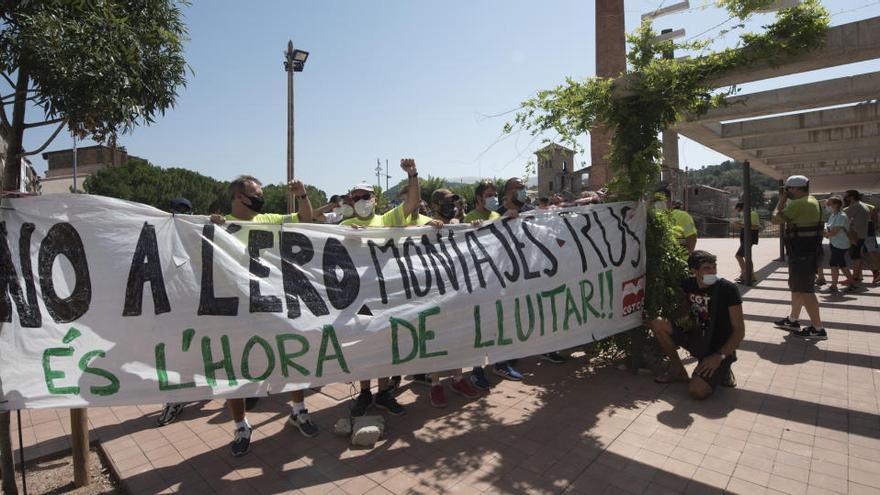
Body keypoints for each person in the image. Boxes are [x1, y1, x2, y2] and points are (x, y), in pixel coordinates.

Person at [210, 176, 317, 456]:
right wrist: (209, 226)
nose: (260, 197)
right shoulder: (220, 226)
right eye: (255, 193)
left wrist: (303, 194)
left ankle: (298, 410)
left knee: (290, 354)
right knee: (235, 368)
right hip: (236, 308)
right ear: (238, 197)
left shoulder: (267, 218)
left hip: (272, 302)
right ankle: (241, 426)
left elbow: (306, 218)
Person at [343, 159, 422, 417]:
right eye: (355, 198)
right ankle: (365, 393)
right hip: (358, 300)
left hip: (387, 296)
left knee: (387, 345)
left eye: (364, 196)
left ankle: (384, 391)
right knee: (364, 347)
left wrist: (412, 175)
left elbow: (411, 204)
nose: (360, 201)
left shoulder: (388, 219)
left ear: (374, 199)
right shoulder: (342, 227)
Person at [415, 189, 482, 407]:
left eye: (453, 202)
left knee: (457, 336)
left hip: (457, 290)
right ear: (434, 205)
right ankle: (435, 384)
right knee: (435, 338)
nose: (451, 206)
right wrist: (428, 228)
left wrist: (472, 226)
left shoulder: (458, 223)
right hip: (433, 292)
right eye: (445, 202)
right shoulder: (424, 223)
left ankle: (458, 378)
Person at [648, 250, 743, 399]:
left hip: (717, 348)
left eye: (714, 267)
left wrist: (719, 356)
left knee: (697, 390)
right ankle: (678, 370)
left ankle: (724, 368)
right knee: (658, 323)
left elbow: (739, 331)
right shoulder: (687, 284)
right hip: (696, 337)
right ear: (694, 270)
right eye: (707, 268)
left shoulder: (728, 289)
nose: (713, 271)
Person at [771, 175, 827, 340]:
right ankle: (792, 320)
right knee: (797, 288)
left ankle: (818, 329)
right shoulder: (813, 201)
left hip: (802, 254)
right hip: (807, 252)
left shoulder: (799, 203)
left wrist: (781, 201)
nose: (787, 192)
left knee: (805, 291)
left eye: (788, 189)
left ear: (795, 188)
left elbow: (775, 219)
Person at [156, 198, 196, 427]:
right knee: (174, 354)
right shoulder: (161, 235)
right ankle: (175, 399)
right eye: (177, 212)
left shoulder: (197, 233)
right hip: (171, 307)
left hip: (196, 305)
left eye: (185, 212)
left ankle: (182, 395)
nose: (181, 216)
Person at [824, 196, 855, 293]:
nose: (827, 206)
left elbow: (834, 232)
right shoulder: (833, 215)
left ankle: (834, 286)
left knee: (833, 264)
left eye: (829, 204)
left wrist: (824, 234)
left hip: (841, 244)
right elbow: (829, 228)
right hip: (834, 243)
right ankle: (852, 283)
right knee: (842, 264)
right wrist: (827, 233)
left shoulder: (841, 216)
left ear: (836, 205)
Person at [844, 189, 870, 284]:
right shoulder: (863, 205)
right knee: (859, 255)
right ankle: (859, 276)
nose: (845, 198)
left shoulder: (855, 206)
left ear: (851, 197)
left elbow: (844, 217)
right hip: (862, 234)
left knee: (855, 257)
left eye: (846, 196)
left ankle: (854, 277)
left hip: (855, 235)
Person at [733, 201, 760, 283]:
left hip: (749, 239)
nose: (739, 212)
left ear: (742, 208)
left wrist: (740, 225)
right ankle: (750, 275)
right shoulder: (747, 214)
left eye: (739, 210)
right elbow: (747, 225)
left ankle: (746, 275)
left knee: (738, 256)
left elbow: (755, 227)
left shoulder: (752, 214)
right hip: (746, 239)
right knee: (747, 257)